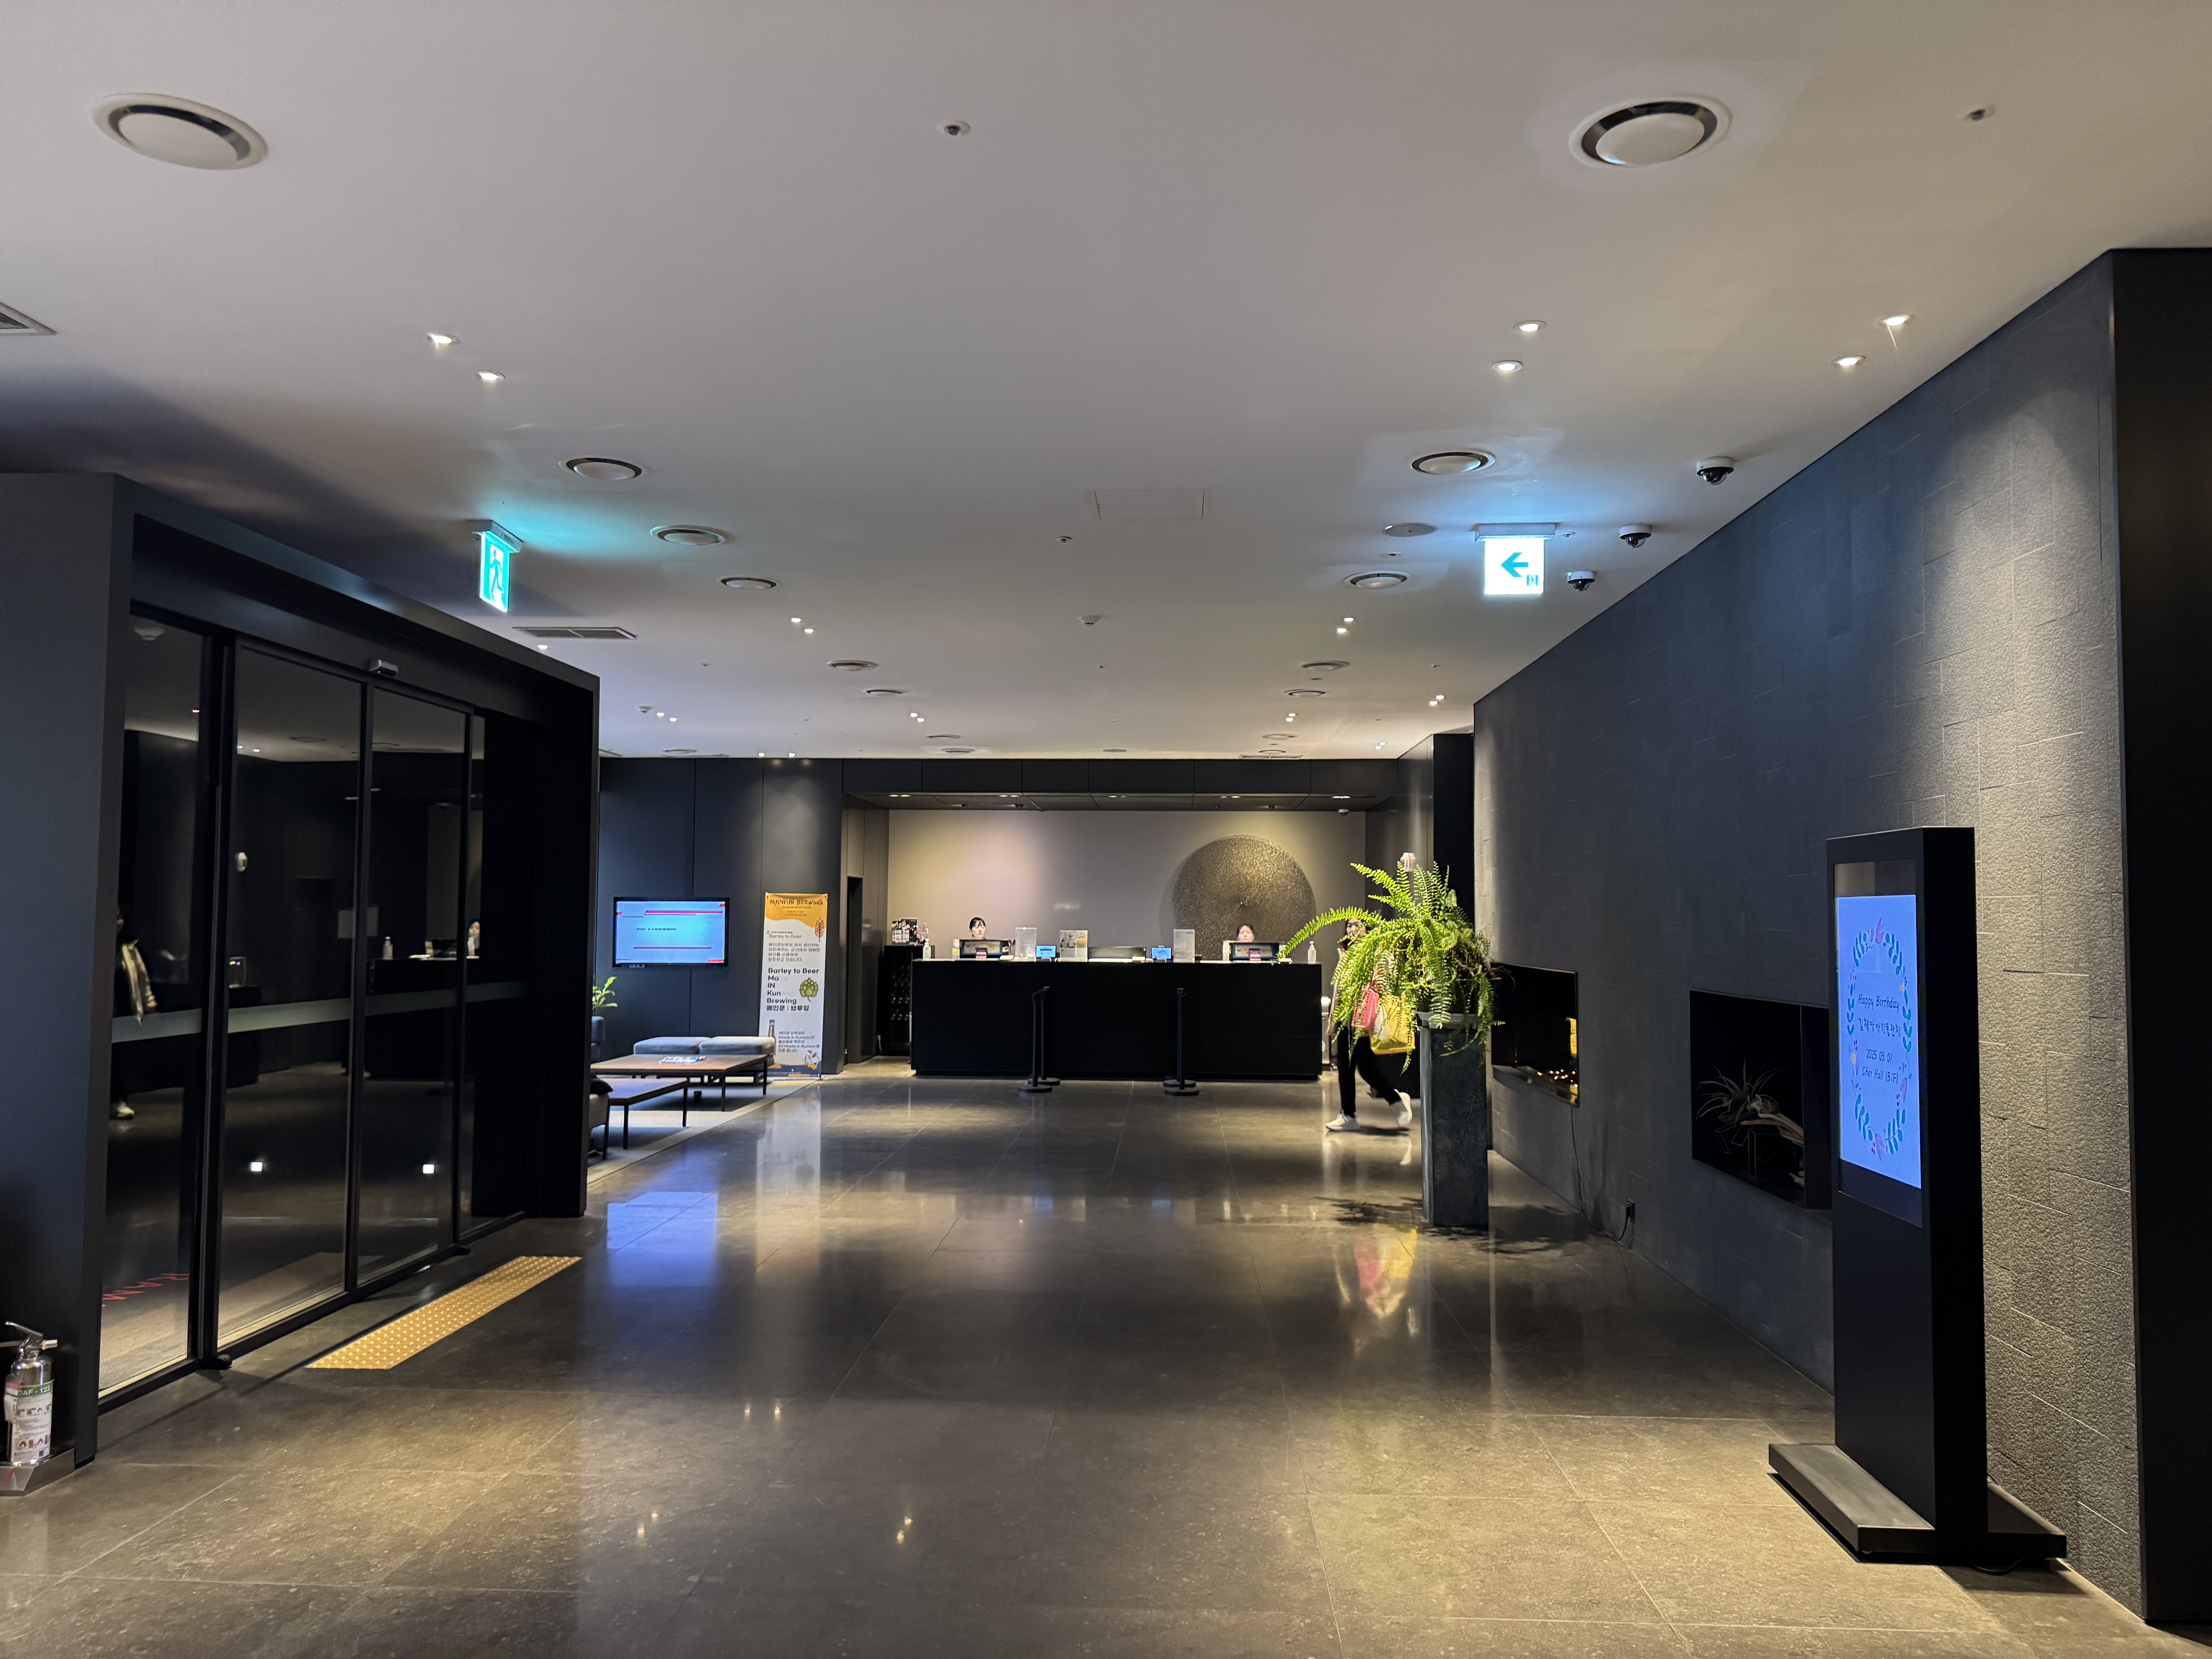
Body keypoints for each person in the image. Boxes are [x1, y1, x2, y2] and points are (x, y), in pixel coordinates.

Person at [1325, 919, 1416, 1134]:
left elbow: (1386, 982)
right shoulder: (1346, 952)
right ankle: (1350, 1115)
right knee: (1348, 1066)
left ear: (1367, 928)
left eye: (1357, 925)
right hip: (1346, 1016)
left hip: (1364, 1017)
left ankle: (1393, 1101)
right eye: (1349, 926)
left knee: (1365, 1068)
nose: (1352, 929)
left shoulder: (1377, 951)